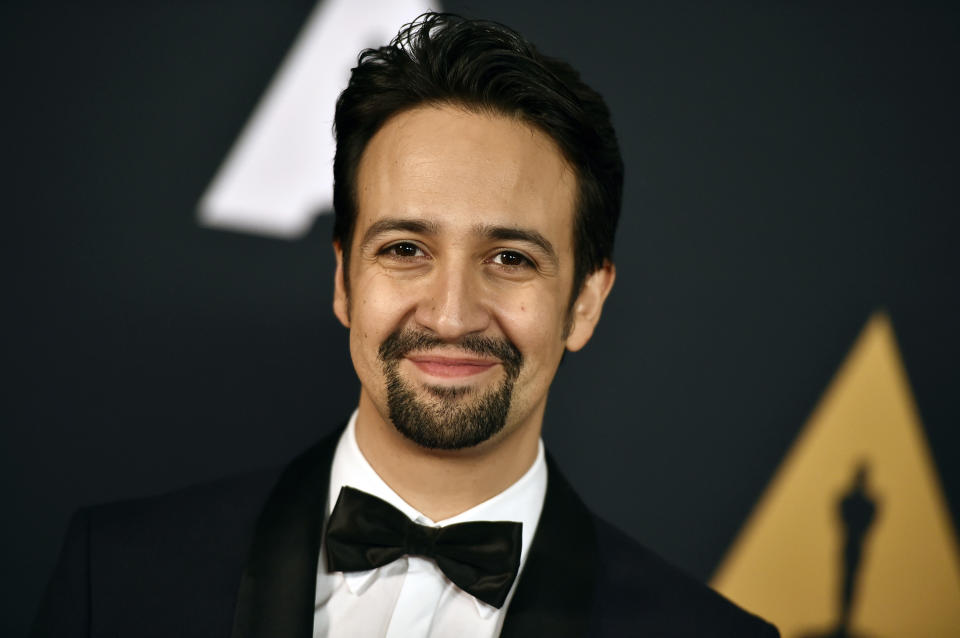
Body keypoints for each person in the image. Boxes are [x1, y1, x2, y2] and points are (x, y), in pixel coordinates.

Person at [32, 12, 779, 638]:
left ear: (584, 302)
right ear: (344, 281)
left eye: (511, 259)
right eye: (405, 249)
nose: (451, 315)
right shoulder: (118, 581)